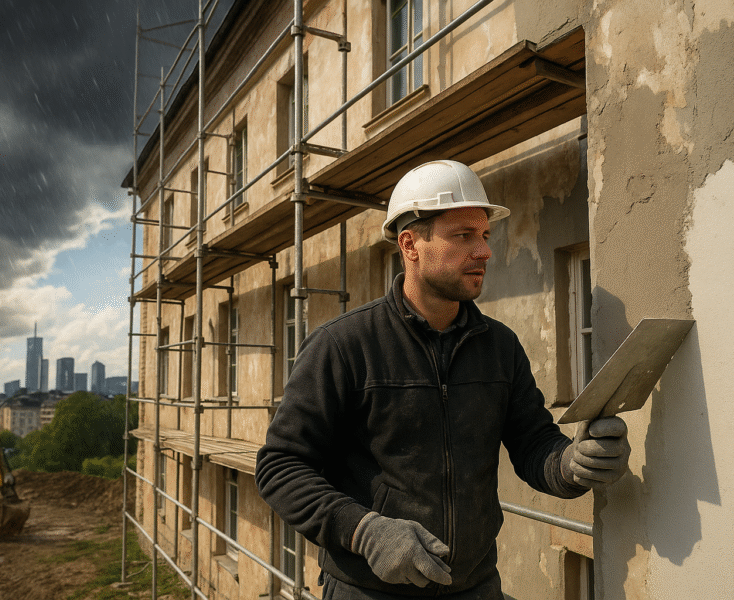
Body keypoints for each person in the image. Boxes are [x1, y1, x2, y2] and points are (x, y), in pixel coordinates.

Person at [255, 160, 630, 599]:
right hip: (369, 592)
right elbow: (280, 467)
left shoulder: (500, 348)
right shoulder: (344, 346)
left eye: (485, 235)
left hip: (473, 587)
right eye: (463, 236)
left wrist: (572, 464)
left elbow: (534, 446)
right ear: (410, 244)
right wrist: (364, 531)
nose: (485, 251)